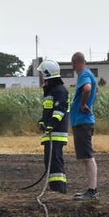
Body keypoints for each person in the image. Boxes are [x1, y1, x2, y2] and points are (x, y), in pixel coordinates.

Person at [69, 51, 98, 200]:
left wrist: (83, 104)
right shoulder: (89, 74)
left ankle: (92, 191)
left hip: (83, 122)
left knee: (88, 157)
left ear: (75, 63)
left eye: (73, 64)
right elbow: (95, 90)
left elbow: (87, 88)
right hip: (82, 121)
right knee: (86, 157)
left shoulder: (84, 75)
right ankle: (90, 189)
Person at [36, 59, 69, 193]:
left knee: (55, 162)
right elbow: (48, 111)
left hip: (56, 134)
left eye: (42, 74)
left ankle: (60, 190)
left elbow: (59, 111)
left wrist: (51, 125)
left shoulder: (59, 90)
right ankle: (55, 189)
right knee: (50, 162)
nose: (41, 77)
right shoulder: (50, 91)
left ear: (47, 74)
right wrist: (42, 121)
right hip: (50, 134)